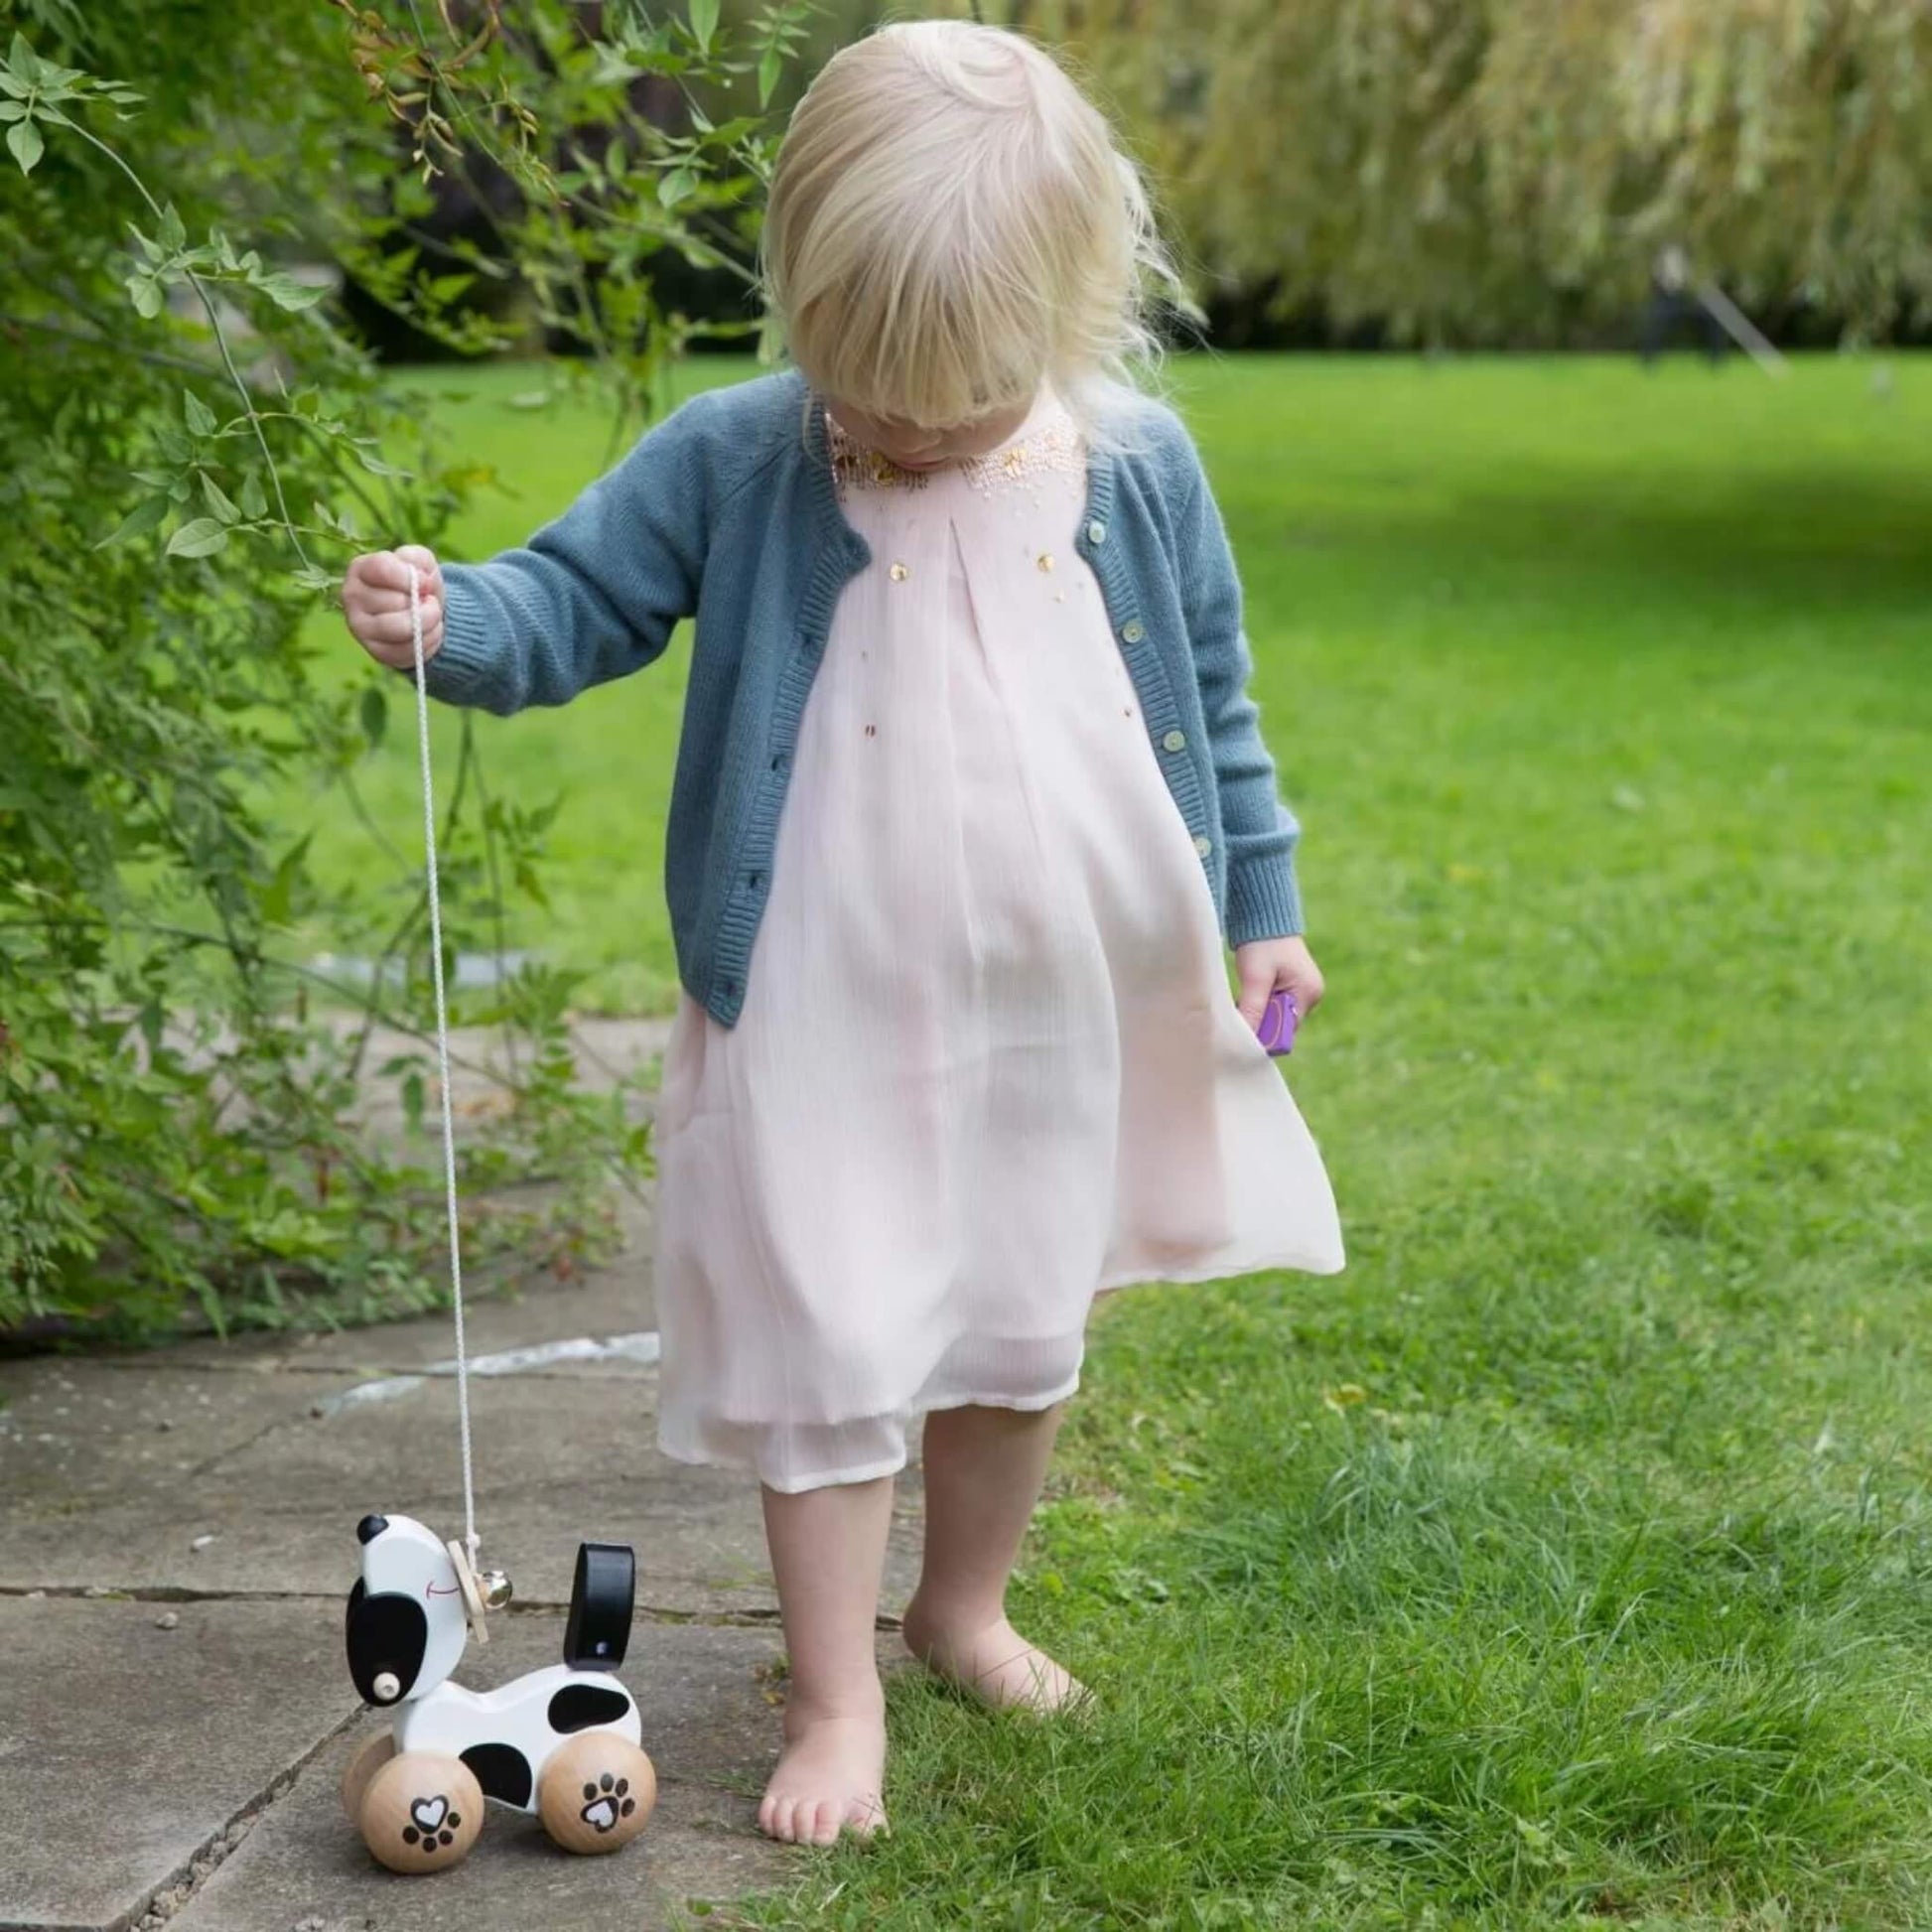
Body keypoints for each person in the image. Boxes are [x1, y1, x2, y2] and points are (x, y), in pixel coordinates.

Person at [341, 19, 1343, 1849]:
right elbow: (574, 594)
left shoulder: (1133, 467)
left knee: (1020, 1327)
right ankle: (832, 1689)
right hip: (815, 988)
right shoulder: (741, 455)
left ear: (1061, 316)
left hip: (1053, 997)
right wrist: (450, 621)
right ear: (797, 292)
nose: (897, 428)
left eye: (948, 401)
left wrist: (1260, 906)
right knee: (827, 1334)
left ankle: (959, 1603)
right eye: (861, 384)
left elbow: (1215, 691)